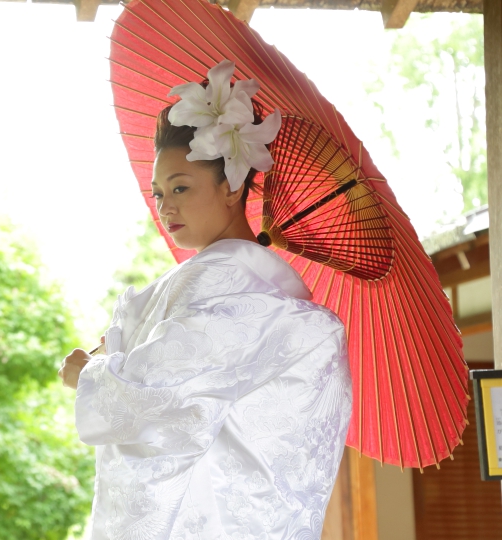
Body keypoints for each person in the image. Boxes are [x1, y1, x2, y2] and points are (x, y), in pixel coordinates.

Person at [58, 61, 352, 540]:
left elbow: (157, 402)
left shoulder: (219, 279)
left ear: (232, 186)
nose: (166, 205)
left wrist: (89, 374)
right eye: (158, 193)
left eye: (180, 187)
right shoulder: (269, 290)